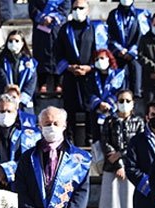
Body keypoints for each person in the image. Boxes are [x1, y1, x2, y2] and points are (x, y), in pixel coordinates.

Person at [99, 90, 143, 208]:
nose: (124, 103)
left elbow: (138, 143)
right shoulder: (109, 121)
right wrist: (117, 164)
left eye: (127, 100)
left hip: (132, 168)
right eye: (121, 100)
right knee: (114, 204)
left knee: (129, 204)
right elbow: (105, 142)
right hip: (112, 168)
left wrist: (123, 159)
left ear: (133, 103)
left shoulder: (138, 122)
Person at [55, 0, 100, 145]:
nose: (78, 10)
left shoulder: (94, 28)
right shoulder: (65, 29)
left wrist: (90, 67)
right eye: (75, 8)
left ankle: (90, 138)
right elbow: (58, 53)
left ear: (87, 10)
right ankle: (70, 139)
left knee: (90, 108)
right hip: (70, 75)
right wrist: (69, 67)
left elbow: (100, 51)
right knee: (70, 108)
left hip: (89, 75)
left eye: (81, 8)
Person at [0, 93, 41, 189]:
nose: (5, 114)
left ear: (16, 112)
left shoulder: (30, 135)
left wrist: (5, 171)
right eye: (2, 111)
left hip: (21, 187)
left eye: (9, 111)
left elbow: (32, 160)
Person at [107, 0, 148, 97]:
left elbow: (143, 35)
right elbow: (109, 35)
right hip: (118, 56)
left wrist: (133, 51)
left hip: (135, 57)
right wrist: (119, 49)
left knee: (136, 86)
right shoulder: (113, 15)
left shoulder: (141, 14)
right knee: (119, 87)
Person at [30, 0, 69, 96]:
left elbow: (65, 8)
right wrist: (42, 18)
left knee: (58, 52)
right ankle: (42, 82)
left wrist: (52, 18)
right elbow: (32, 8)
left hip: (57, 27)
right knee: (41, 53)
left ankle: (58, 82)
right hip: (41, 27)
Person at [0, 30, 37, 113]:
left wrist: (21, 100)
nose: (13, 43)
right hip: (6, 101)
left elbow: (32, 81)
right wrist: (10, 96)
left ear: (22, 43)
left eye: (17, 41)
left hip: (25, 102)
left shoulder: (30, 63)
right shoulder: (2, 62)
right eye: (10, 41)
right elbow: (1, 78)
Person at [85, 49, 127, 133]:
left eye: (102, 58)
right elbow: (89, 92)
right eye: (97, 59)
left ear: (109, 59)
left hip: (113, 107)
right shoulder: (92, 76)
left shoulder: (118, 75)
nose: (99, 61)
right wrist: (100, 103)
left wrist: (109, 103)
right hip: (97, 107)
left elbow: (120, 91)